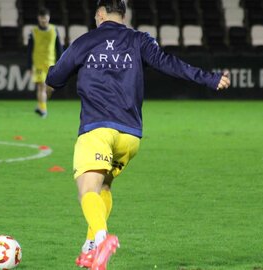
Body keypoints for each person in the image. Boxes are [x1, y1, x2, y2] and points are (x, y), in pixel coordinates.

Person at [45, 0, 231, 269]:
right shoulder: (140, 41)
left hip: (97, 129)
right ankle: (90, 246)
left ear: (99, 14)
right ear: (124, 15)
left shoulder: (85, 41)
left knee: (87, 189)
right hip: (130, 137)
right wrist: (209, 79)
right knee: (104, 186)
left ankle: (101, 238)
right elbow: (170, 64)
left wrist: (47, 86)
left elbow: (56, 77)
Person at [27, 8, 63, 118]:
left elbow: (59, 48)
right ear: (39, 18)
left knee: (49, 88)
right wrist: (29, 66)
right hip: (38, 64)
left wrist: (61, 62)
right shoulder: (33, 32)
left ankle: (41, 105)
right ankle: (43, 110)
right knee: (41, 87)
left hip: (51, 63)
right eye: (42, 20)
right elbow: (29, 49)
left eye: (45, 20)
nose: (44, 22)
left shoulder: (54, 30)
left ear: (49, 18)